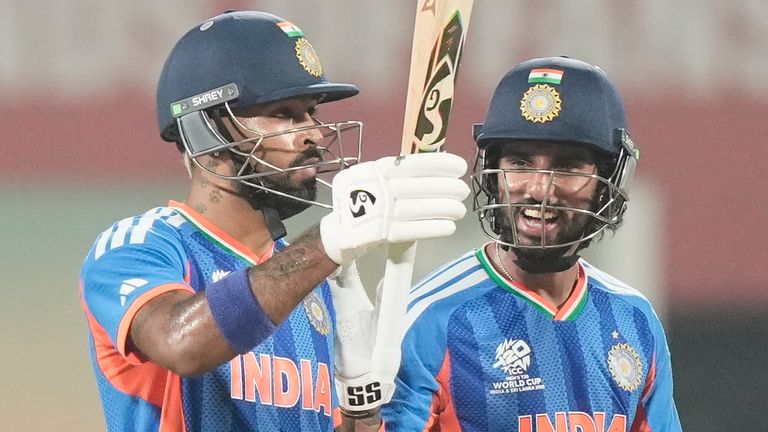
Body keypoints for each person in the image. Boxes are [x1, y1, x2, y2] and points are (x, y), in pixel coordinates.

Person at [78, 10, 469, 431]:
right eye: (284, 113)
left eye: (310, 112)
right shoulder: (141, 244)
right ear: (204, 131)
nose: (315, 134)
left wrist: (362, 405)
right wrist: (327, 243)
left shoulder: (318, 287)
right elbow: (181, 343)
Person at [378, 56, 682, 431]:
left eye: (568, 167)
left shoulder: (634, 319)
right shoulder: (429, 319)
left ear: (608, 182)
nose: (539, 190)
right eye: (520, 162)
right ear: (492, 173)